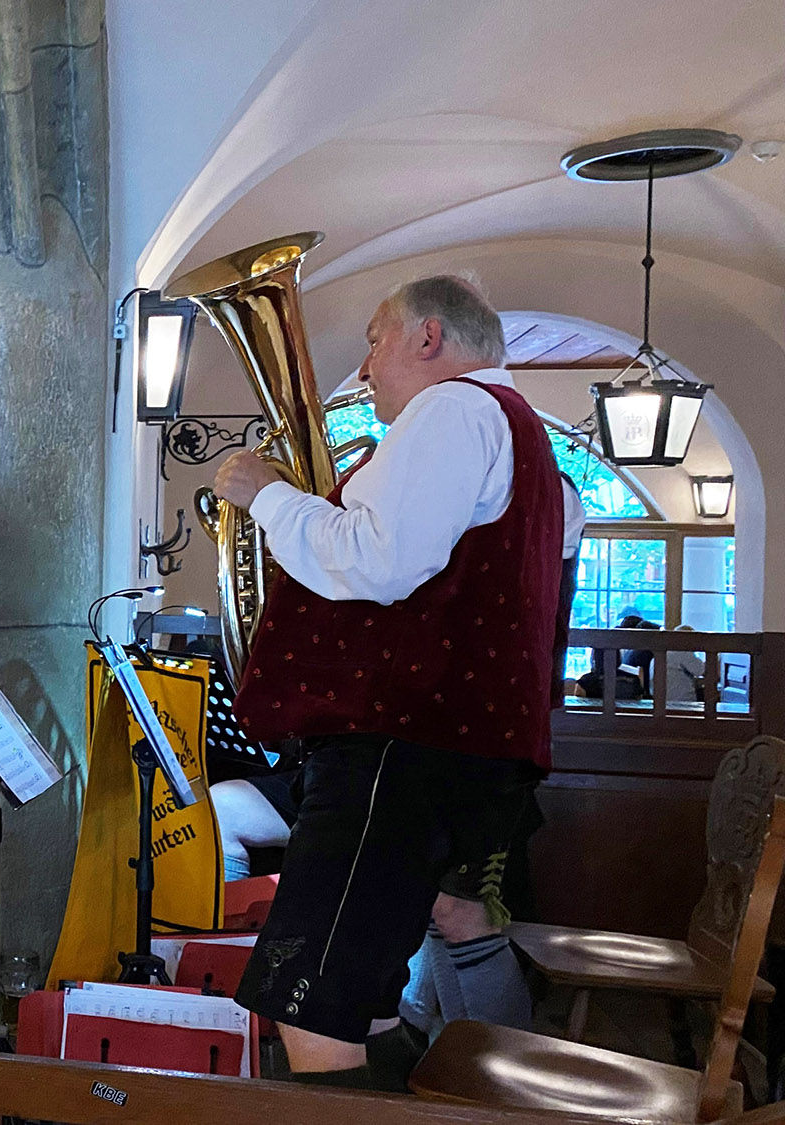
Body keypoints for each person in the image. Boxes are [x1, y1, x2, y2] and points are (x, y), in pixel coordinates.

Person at [210, 276, 563, 1088]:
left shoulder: (456, 410)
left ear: (429, 337)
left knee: (312, 1002)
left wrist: (268, 494)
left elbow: (378, 560)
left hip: (398, 748)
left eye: (375, 340)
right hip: (447, 749)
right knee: (368, 1005)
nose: (365, 367)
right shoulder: (520, 429)